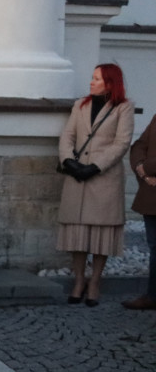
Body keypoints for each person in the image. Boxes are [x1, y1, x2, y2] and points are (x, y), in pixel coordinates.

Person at [56, 63, 134, 306]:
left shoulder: (123, 107)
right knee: (77, 234)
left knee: (101, 234)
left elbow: (122, 143)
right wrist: (68, 161)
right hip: (76, 177)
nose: (91, 82)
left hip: (104, 179)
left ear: (110, 83)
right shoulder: (81, 104)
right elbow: (67, 135)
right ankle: (79, 280)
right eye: (93, 77)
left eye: (97, 79)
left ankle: (95, 281)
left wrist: (95, 167)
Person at [123, 110, 156, 310]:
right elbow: (139, 146)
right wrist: (142, 171)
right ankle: (152, 295)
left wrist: (148, 167)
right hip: (152, 192)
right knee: (154, 247)